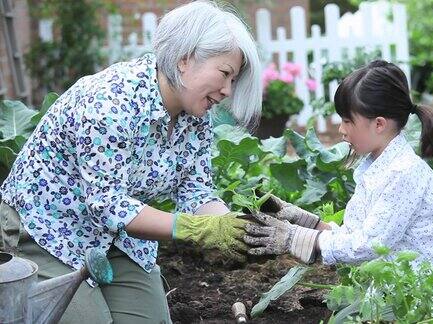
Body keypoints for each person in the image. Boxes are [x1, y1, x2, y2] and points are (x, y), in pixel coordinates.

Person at [0, 1, 261, 323]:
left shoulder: (196, 117)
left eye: (233, 81)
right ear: (184, 60)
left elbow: (195, 190)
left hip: (118, 238)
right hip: (47, 230)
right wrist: (196, 229)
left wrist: (234, 226)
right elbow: (107, 204)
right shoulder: (110, 101)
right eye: (225, 74)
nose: (226, 90)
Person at [243, 60, 433, 287]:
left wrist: (297, 238)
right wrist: (306, 222)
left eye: (346, 120)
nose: (341, 130)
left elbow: (367, 245)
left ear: (379, 124)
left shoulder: (404, 173)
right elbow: (355, 235)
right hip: (407, 295)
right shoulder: (377, 167)